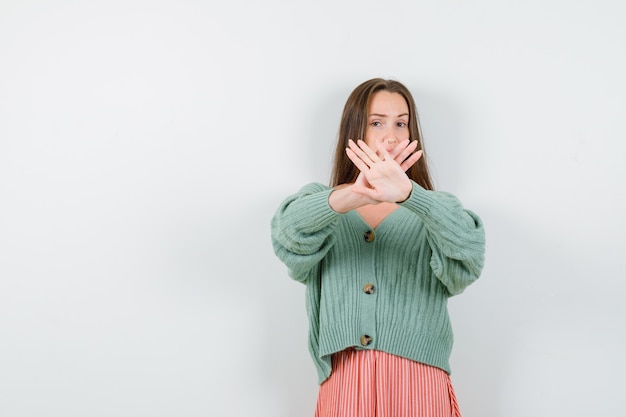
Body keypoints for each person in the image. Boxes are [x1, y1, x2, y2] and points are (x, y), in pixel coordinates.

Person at [271, 78, 485, 417]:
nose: (391, 135)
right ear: (355, 131)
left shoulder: (435, 209)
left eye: (401, 123)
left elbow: (469, 256)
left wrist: (412, 196)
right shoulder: (324, 205)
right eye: (376, 122)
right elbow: (287, 235)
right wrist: (352, 194)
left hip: (419, 379)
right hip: (345, 379)